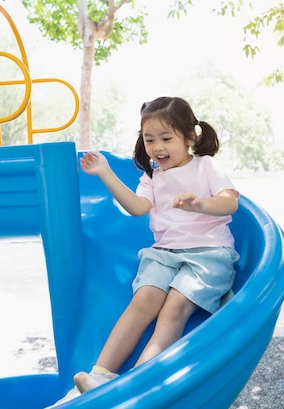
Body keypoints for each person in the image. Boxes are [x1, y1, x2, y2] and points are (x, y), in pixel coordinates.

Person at [55, 96, 240, 405]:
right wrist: (105, 173)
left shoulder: (205, 166)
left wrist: (201, 204)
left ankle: (137, 386)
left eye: (166, 138)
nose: (157, 146)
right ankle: (101, 374)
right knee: (143, 301)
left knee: (173, 310)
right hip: (165, 252)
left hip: (208, 253)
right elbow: (137, 208)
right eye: (149, 139)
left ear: (190, 136)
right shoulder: (153, 176)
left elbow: (230, 201)